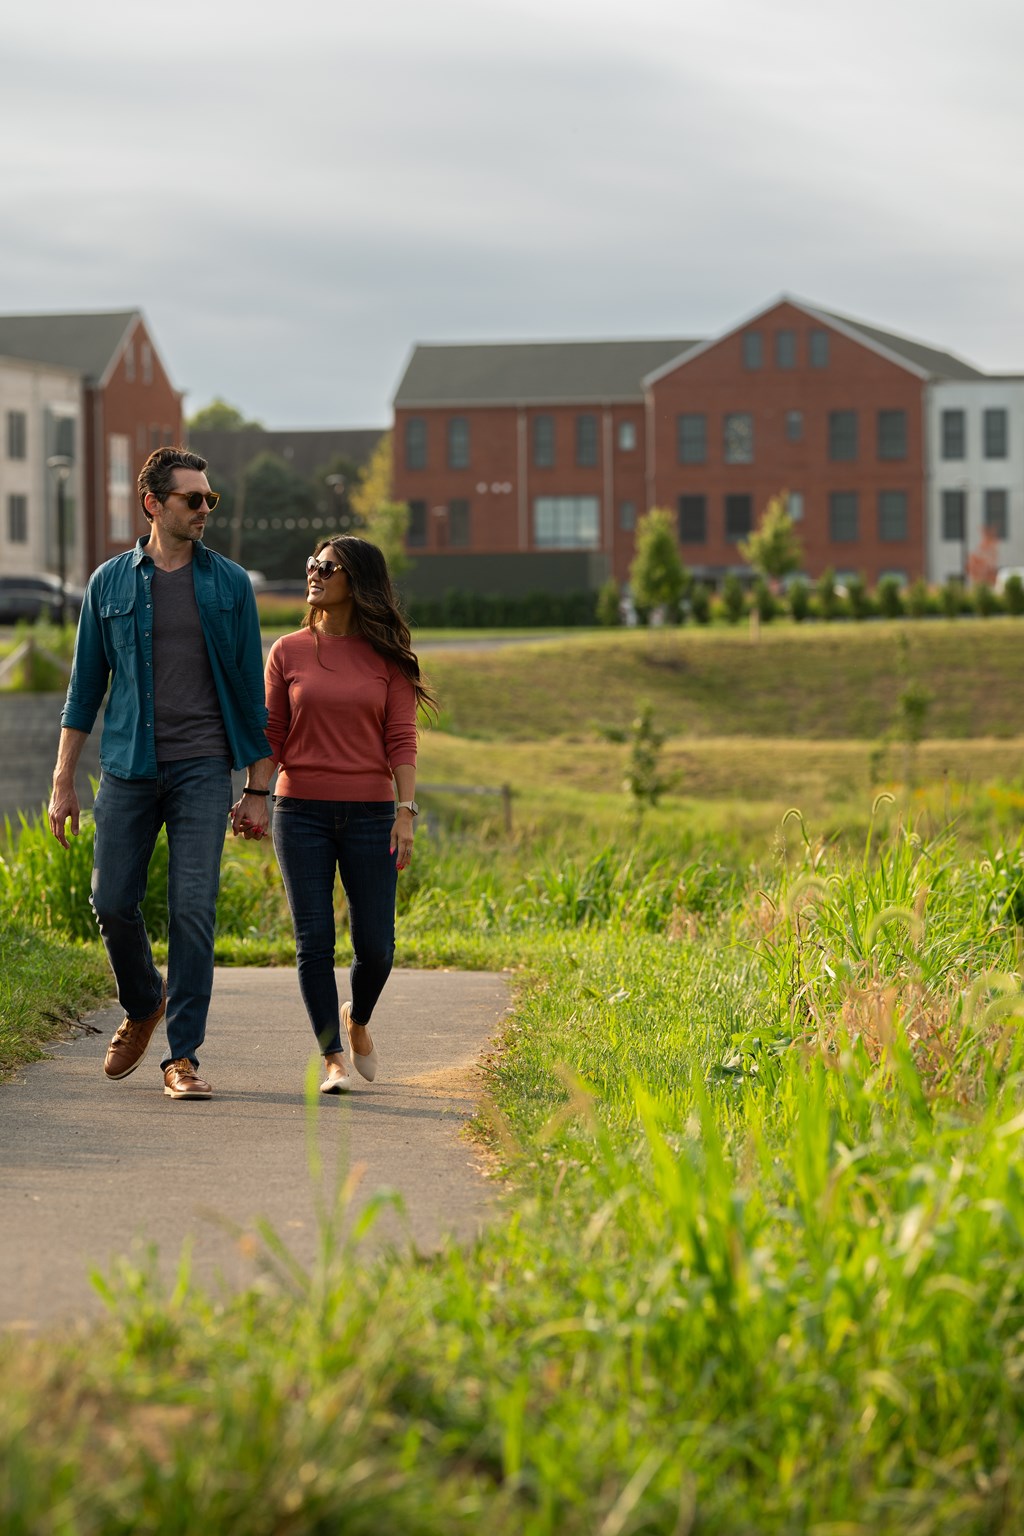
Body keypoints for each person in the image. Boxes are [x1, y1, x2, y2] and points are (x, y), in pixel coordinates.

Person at [48, 446, 274, 1101]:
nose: (205, 509)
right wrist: (64, 779)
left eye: (211, 500)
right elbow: (84, 685)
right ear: (153, 503)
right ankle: (143, 1001)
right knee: (112, 901)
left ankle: (183, 1057)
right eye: (192, 499)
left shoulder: (229, 584)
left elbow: (253, 694)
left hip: (204, 768)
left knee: (193, 911)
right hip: (126, 768)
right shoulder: (109, 583)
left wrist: (259, 787)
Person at [236, 535, 436, 1093]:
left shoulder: (387, 659)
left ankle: (358, 1021)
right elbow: (272, 734)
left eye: (329, 567)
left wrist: (406, 810)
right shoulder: (287, 651)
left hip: (373, 815)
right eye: (312, 564)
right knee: (314, 942)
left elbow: (401, 737)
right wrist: (255, 792)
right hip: (299, 811)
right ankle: (331, 1058)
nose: (315, 574)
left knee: (377, 947)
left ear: (357, 582)